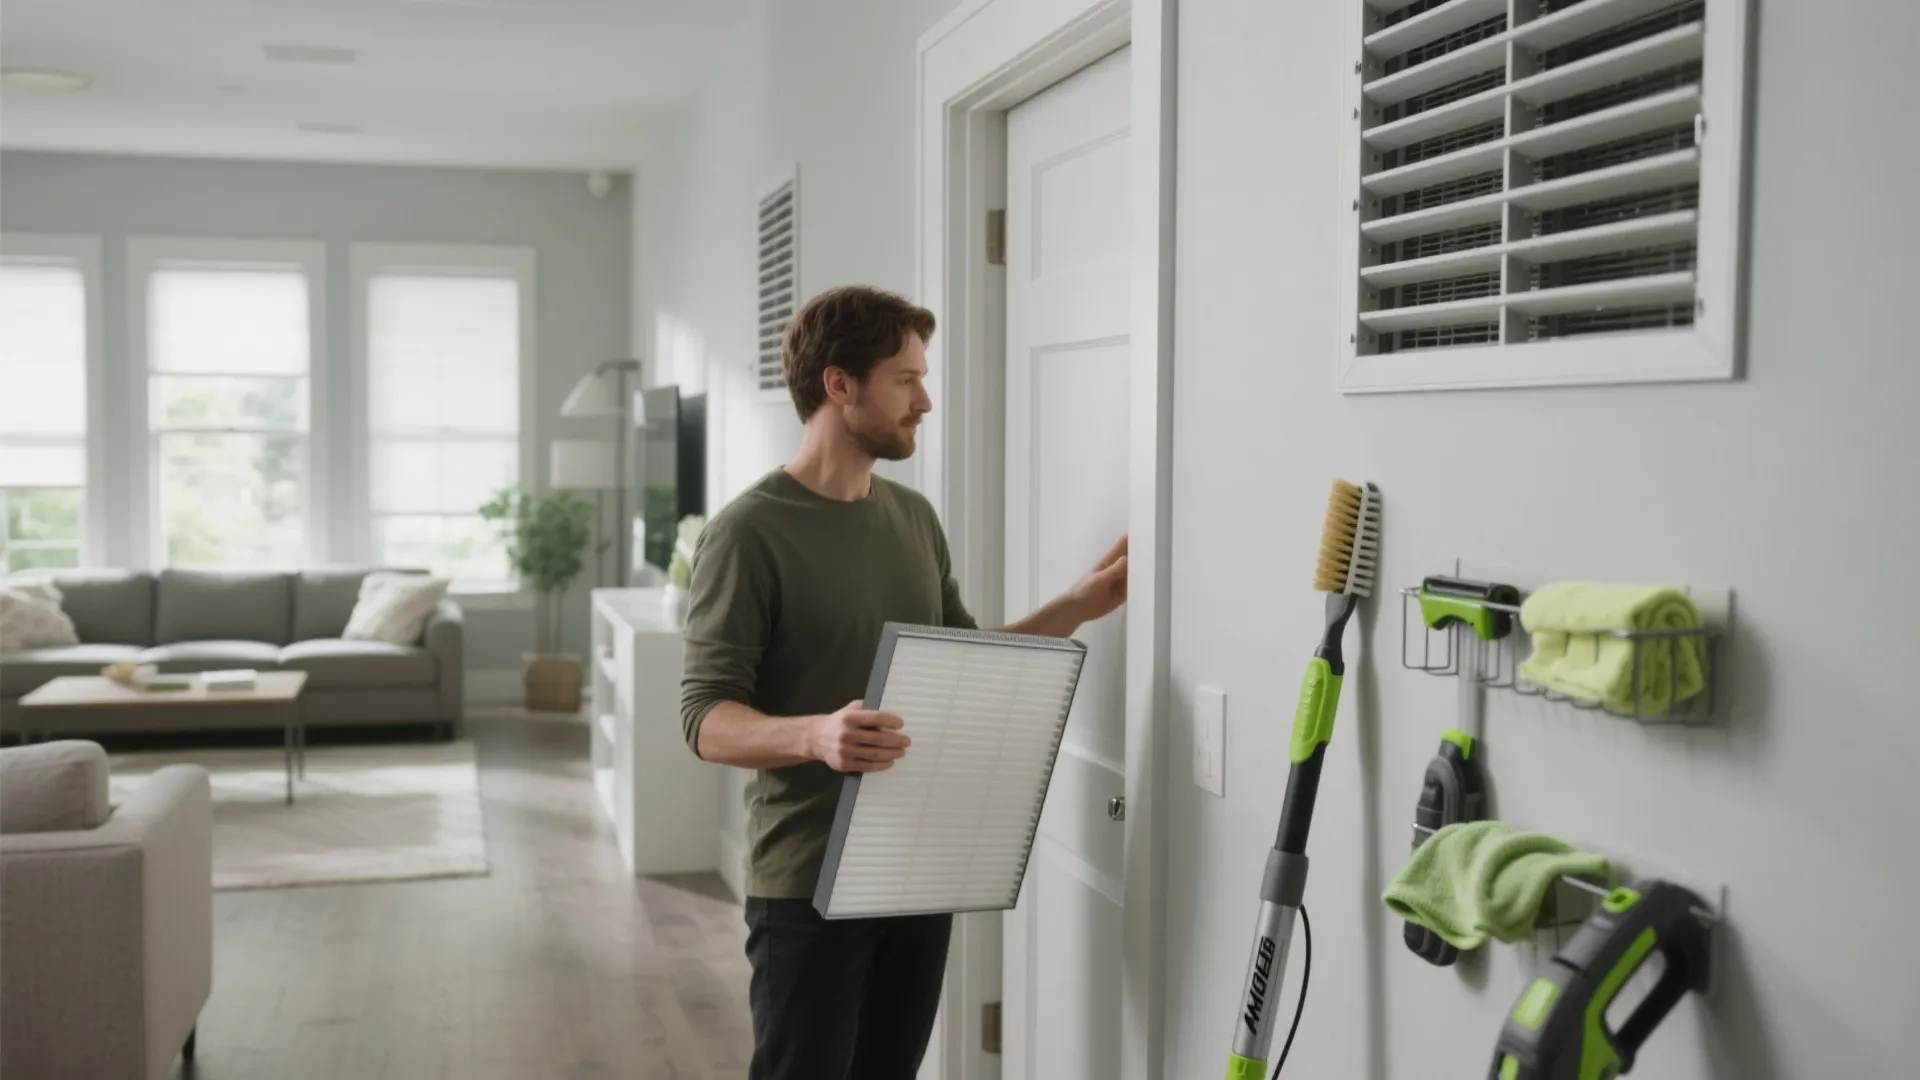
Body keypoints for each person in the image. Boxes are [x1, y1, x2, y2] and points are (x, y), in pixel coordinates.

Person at [678, 283, 1129, 1080]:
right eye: (904, 379)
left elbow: (966, 666)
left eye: (922, 377)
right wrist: (815, 735)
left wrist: (1078, 606)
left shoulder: (914, 520)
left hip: (916, 868)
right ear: (839, 385)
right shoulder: (749, 533)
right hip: (807, 884)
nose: (925, 400)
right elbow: (704, 718)